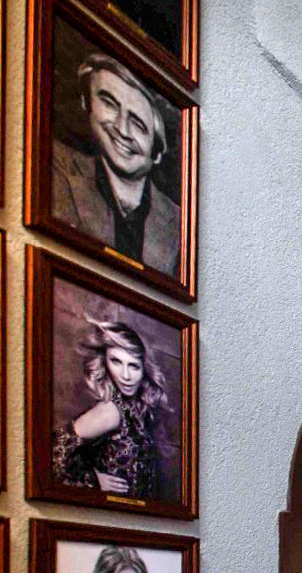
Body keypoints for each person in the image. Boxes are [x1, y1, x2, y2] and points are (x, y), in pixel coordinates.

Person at [52, 52, 179, 276]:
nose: (122, 129)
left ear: (157, 152)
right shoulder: (55, 168)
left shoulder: (180, 225)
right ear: (87, 103)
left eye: (138, 124)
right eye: (109, 103)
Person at [52, 320, 169, 499]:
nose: (126, 376)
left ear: (144, 369)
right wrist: (92, 481)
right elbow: (50, 452)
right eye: (116, 362)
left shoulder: (136, 411)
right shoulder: (111, 411)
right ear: (105, 363)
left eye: (133, 366)